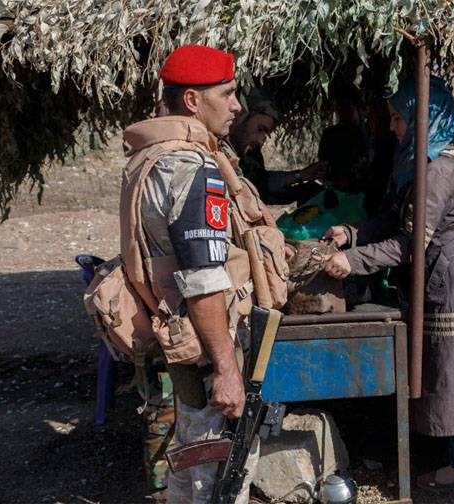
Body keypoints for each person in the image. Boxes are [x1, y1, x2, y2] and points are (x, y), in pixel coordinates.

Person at [320, 77, 454, 490]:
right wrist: (352, 232)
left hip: (451, 285)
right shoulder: (424, 162)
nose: (394, 128)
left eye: (400, 119)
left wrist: (352, 261)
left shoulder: (437, 171)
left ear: (426, 118)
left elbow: (410, 244)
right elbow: (397, 219)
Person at [120, 45, 266, 503]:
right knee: (218, 471)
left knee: (191, 457)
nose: (237, 105)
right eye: (227, 93)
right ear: (192, 101)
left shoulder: (150, 159)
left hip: (179, 336)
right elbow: (202, 279)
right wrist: (226, 369)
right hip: (205, 347)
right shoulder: (192, 168)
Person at [228, 87, 327, 205]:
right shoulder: (214, 149)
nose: (261, 141)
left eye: (266, 134)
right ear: (241, 116)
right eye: (260, 129)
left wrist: (301, 176)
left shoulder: (250, 152)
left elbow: (261, 185)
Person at [318, 85, 394, 216]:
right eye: (338, 110)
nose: (342, 115)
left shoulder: (375, 134)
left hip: (366, 202)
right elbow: (323, 169)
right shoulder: (330, 136)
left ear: (359, 108)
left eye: (346, 110)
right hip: (337, 200)